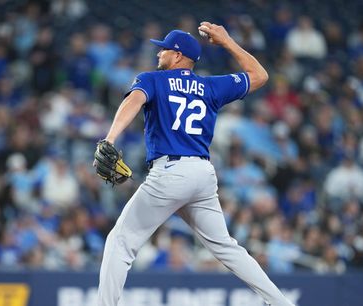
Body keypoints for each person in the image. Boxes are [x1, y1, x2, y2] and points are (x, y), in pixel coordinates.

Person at [96, 21, 295, 306]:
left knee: (120, 242)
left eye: (164, 49)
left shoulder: (152, 79)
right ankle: (281, 303)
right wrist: (227, 41)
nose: (159, 54)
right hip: (202, 174)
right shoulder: (210, 86)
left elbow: (133, 102)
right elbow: (260, 75)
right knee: (227, 247)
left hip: (170, 173)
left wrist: (111, 138)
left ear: (177, 55)